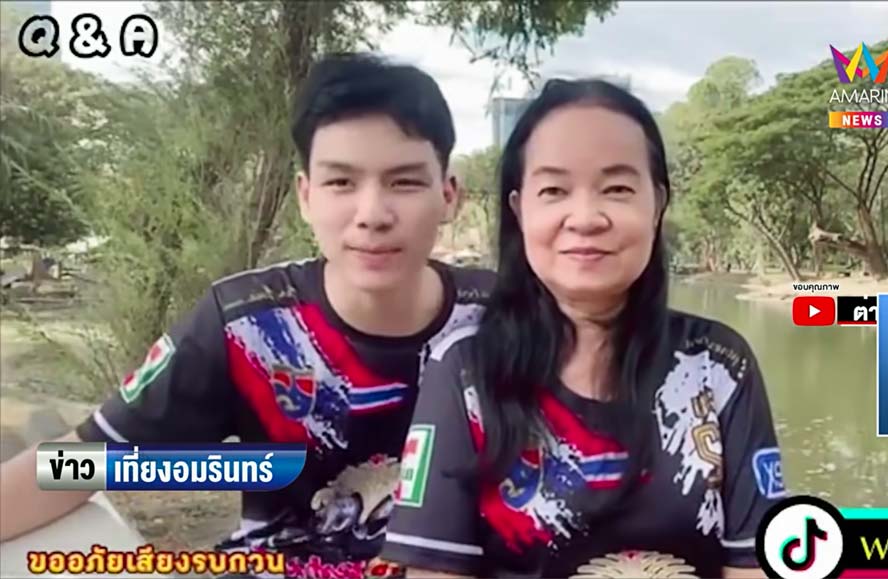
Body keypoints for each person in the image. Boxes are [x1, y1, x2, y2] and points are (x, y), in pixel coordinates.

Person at [0, 53, 494, 576]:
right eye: (341, 183)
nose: (372, 215)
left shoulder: (504, 320)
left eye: (404, 183)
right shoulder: (245, 324)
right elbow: (85, 462)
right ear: (305, 197)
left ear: (449, 196)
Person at [380, 79, 783, 578]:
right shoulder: (465, 371)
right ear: (519, 210)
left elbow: (754, 564)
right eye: (554, 190)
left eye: (617, 189)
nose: (586, 218)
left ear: (657, 205)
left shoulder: (718, 365)